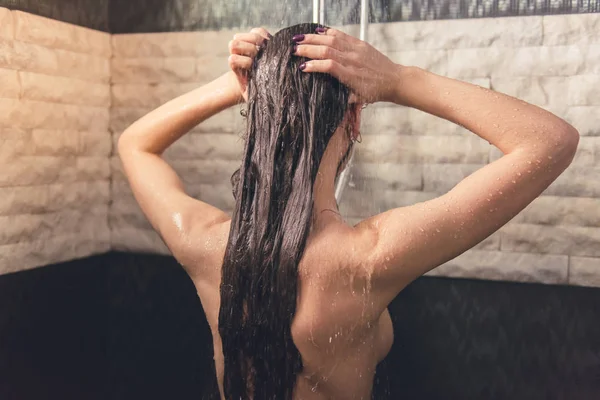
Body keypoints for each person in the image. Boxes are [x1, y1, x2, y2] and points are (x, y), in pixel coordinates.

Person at [118, 23, 579, 400]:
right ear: (354, 120)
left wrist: (235, 85)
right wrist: (399, 79)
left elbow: (135, 144)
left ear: (256, 116)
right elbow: (549, 142)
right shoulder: (369, 259)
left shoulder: (203, 243)